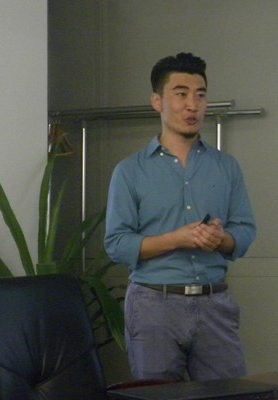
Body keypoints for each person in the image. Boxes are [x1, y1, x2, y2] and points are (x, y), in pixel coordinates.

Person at [104, 52, 256, 382]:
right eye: (181, 94)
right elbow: (117, 244)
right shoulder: (130, 171)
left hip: (214, 302)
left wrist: (221, 239)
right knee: (158, 396)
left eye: (200, 95)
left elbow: (245, 231)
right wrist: (177, 239)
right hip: (153, 304)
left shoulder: (226, 167)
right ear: (157, 102)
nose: (192, 105)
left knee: (230, 393)